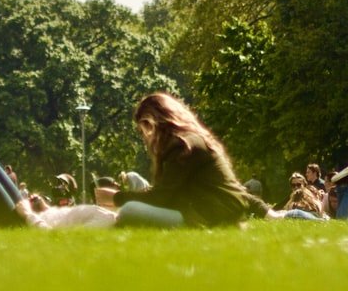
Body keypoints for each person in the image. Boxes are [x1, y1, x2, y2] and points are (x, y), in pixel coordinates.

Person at [111, 92, 269, 228]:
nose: (145, 137)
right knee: (128, 210)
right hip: (215, 214)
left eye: (144, 130)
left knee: (129, 210)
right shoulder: (192, 141)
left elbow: (160, 197)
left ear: (156, 123)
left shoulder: (183, 146)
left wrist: (116, 197)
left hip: (207, 217)